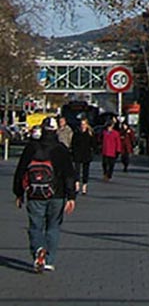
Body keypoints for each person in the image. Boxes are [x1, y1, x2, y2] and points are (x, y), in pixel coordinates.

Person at [12, 116, 77, 272]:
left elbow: (21, 171)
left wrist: (19, 193)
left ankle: (38, 249)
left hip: (34, 194)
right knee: (53, 227)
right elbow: (69, 174)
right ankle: (48, 259)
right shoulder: (61, 149)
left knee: (35, 226)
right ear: (55, 131)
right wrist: (71, 196)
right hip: (57, 194)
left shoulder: (32, 148)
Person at [70, 118, 94, 195]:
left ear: (87, 125)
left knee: (85, 171)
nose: (82, 126)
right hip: (77, 154)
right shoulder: (76, 133)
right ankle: (77, 185)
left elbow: (93, 144)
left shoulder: (90, 134)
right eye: (81, 124)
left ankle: (84, 187)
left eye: (84, 124)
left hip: (86, 154)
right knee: (76, 170)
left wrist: (93, 151)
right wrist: (73, 152)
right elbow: (73, 143)